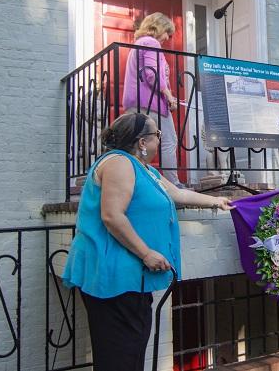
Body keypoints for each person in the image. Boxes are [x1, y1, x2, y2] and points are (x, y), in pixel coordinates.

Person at [62, 112, 233, 371]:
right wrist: (146, 253)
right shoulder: (119, 163)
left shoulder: (145, 170)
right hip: (115, 278)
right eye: (157, 136)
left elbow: (177, 193)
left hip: (131, 279)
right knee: (119, 358)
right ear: (142, 142)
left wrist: (216, 201)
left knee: (130, 354)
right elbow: (112, 216)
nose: (159, 141)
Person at [123, 12, 185, 187]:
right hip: (151, 104)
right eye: (167, 32)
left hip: (136, 103)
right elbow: (151, 74)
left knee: (138, 144)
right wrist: (169, 96)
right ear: (159, 28)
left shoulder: (138, 44)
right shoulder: (151, 42)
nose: (167, 38)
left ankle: (137, 181)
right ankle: (173, 184)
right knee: (168, 141)